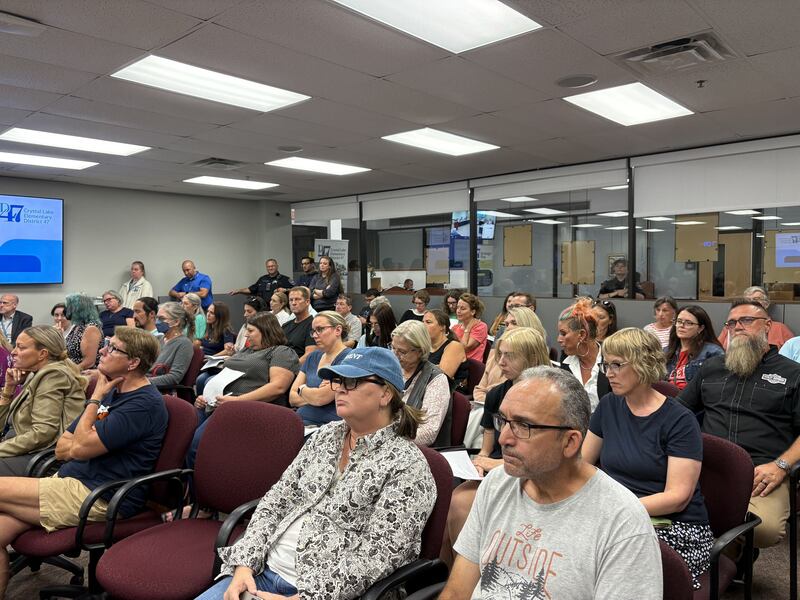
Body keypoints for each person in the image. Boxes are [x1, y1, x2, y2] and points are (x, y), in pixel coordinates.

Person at [196, 347, 436, 600]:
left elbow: (381, 554)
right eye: (338, 381)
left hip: (325, 593)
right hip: (261, 573)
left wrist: (307, 598)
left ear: (386, 394)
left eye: (352, 382)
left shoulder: (407, 465)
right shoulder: (324, 437)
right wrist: (244, 565)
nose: (340, 388)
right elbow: (277, 500)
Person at [439, 366, 661, 600]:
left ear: (570, 442)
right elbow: (456, 592)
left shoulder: (622, 522)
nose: (504, 438)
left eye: (524, 426)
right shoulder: (497, 483)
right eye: (504, 420)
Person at [0, 327, 166, 597]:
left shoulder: (142, 404)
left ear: (133, 362)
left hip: (99, 495)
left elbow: (80, 448)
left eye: (112, 348)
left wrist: (96, 396)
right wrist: (79, 442)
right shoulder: (115, 390)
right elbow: (64, 447)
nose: (102, 350)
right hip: (70, 480)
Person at [583, 328, 713, 589]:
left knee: (608, 566)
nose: (609, 373)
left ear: (644, 363)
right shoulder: (609, 405)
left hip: (676, 528)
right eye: (606, 364)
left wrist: (613, 512)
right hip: (619, 517)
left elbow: (677, 498)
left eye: (617, 364)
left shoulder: (679, 420)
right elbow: (582, 466)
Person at [678, 298, 800, 552]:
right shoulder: (713, 368)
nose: (738, 327)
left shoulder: (792, 374)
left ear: (767, 325)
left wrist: (781, 467)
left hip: (762, 471)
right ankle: (720, 560)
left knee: (764, 528)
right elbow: (678, 411)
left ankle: (728, 555)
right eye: (732, 323)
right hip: (705, 465)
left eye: (746, 320)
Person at [440, 328, 551, 567]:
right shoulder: (496, 395)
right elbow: (487, 448)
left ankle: (473, 571)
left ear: (531, 358)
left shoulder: (551, 397)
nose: (500, 362)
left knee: (461, 503)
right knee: (455, 500)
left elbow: (545, 456)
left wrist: (494, 463)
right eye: (500, 354)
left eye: (509, 356)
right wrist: (480, 464)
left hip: (537, 473)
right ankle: (456, 574)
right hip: (502, 468)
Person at [190, 312, 299, 470]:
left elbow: (277, 387)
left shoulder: (280, 352)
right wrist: (205, 397)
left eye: (251, 330)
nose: (246, 334)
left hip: (246, 408)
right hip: (220, 404)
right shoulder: (246, 351)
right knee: (183, 441)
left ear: (266, 330)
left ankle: (201, 491)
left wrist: (237, 402)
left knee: (198, 447)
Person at [0, 326, 86, 475]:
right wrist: (9, 388)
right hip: (23, 448)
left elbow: (43, 433)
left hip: (39, 457)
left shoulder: (53, 374)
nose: (13, 352)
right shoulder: (35, 373)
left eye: (21, 347)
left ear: (42, 354)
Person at [466, 307, 545, 448]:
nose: (501, 361)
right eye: (506, 324)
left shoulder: (547, 396)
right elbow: (480, 388)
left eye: (513, 323)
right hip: (486, 407)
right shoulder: (496, 393)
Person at [391, 320, 451, 447]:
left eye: (402, 352)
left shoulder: (436, 379)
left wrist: (391, 442)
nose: (395, 355)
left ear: (420, 351)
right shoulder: (392, 369)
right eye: (393, 348)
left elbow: (428, 433)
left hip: (413, 450)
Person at [289, 311, 351, 427]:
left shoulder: (348, 358)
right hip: (300, 422)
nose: (315, 335)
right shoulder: (313, 356)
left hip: (327, 426)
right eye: (313, 331)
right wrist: (315, 394)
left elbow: (320, 398)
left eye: (320, 329)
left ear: (338, 330)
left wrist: (302, 389)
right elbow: (292, 398)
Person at [558, 297, 610, 412]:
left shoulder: (611, 359)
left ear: (581, 334)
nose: (559, 339)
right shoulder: (566, 359)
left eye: (563, 333)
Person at [665, 305, 724, 390]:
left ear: (700, 328)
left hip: (691, 401)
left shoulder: (713, 352)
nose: (681, 325)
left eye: (688, 323)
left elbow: (714, 388)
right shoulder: (666, 351)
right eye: (679, 321)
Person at [719, 286, 794, 350]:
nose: (751, 303)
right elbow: (718, 350)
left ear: (766, 304)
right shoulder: (730, 327)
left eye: (756, 299)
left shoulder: (780, 329)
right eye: (747, 300)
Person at [147, 302, 194, 388]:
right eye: (157, 318)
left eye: (162, 318)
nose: (157, 322)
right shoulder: (159, 339)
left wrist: (142, 382)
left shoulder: (184, 344)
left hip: (158, 390)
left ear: (176, 322)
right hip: (146, 383)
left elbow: (174, 377)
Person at [422, 309, 468, 390]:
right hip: (427, 388)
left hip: (450, 393)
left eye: (428, 322)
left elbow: (441, 376)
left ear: (442, 327)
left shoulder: (454, 346)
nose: (423, 326)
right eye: (423, 322)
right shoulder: (425, 346)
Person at [64, 293, 103, 370]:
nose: (67, 311)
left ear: (78, 309)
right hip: (71, 369)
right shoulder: (77, 326)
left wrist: (69, 372)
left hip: (84, 373)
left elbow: (89, 362)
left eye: (69, 307)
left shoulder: (91, 329)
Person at [282, 287, 316, 364]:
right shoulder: (285, 325)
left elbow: (309, 354)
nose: (293, 303)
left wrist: (290, 369)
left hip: (298, 369)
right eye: (291, 300)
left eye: (297, 299)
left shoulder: (313, 325)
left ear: (307, 302)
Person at [452, 293, 488, 362]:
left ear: (472, 312)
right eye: (457, 307)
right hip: (456, 362)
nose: (458, 311)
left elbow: (464, 348)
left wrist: (467, 329)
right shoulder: (455, 327)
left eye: (463, 308)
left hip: (471, 367)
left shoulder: (481, 327)